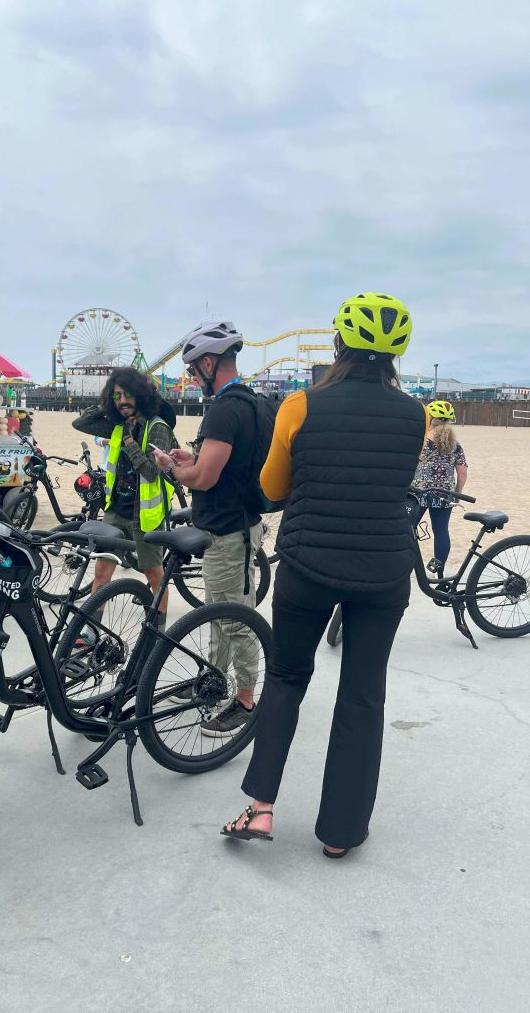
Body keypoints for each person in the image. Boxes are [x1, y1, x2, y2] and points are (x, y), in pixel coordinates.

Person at [220, 293, 427, 857]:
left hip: (308, 566)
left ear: (338, 343)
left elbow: (273, 488)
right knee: (363, 694)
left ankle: (261, 808)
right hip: (383, 570)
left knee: (287, 678)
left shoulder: (300, 405)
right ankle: (341, 834)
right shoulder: (416, 414)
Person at [153, 321, 264, 737]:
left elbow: (203, 479)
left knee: (235, 620)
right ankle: (215, 680)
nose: (191, 376)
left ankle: (245, 702)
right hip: (235, 524)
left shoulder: (224, 409)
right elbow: (226, 464)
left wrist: (172, 467)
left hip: (229, 530)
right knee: (219, 614)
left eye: (192, 368)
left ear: (208, 362)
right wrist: (194, 457)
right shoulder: (248, 402)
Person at [72, 367, 175, 630]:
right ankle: (91, 631)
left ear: (141, 394)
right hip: (116, 509)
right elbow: (81, 423)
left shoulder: (158, 428)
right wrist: (109, 405)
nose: (123, 400)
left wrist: (129, 442)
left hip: (145, 514)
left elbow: (152, 472)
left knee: (154, 575)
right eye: (117, 396)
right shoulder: (119, 424)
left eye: (128, 394)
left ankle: (158, 633)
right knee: (101, 572)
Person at [412, 400, 468, 574]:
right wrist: (457, 494)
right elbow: (462, 473)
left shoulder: (420, 440)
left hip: (420, 492)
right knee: (441, 531)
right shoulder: (455, 444)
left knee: (408, 528)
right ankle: (439, 571)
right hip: (444, 493)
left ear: (430, 419)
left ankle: (407, 564)